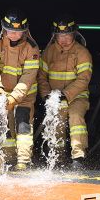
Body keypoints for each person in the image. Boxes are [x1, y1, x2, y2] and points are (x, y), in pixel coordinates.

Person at [0, 8, 40, 171]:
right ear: (4, 28)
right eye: (10, 31)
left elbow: (29, 75)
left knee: (22, 126)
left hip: (25, 96)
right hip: (2, 93)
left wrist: (15, 97)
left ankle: (23, 161)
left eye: (18, 32)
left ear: (25, 31)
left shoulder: (32, 47)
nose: (14, 34)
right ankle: (8, 159)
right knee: (6, 127)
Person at [37, 14, 93, 169]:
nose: (63, 39)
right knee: (56, 120)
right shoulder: (48, 52)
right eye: (60, 35)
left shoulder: (82, 53)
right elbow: (41, 77)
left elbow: (84, 79)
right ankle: (57, 154)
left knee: (75, 117)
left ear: (74, 34)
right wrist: (46, 95)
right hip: (55, 97)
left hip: (77, 97)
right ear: (54, 35)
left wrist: (66, 95)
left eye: (67, 35)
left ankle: (78, 156)